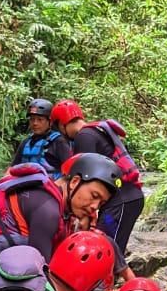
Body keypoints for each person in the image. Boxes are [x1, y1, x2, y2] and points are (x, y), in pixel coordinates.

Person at [0, 153, 122, 272]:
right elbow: (41, 274)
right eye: (94, 196)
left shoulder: (57, 206)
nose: (95, 206)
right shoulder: (47, 209)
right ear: (74, 182)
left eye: (101, 203)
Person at [49, 101, 145, 254]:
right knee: (107, 245)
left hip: (122, 200)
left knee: (104, 248)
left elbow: (88, 178)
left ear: (61, 125)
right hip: (126, 199)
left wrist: (87, 216)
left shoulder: (83, 137)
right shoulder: (95, 132)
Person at [10, 99, 70, 175]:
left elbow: (69, 170)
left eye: (40, 119)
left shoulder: (59, 142)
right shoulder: (25, 142)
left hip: (51, 181)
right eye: (32, 119)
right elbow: (12, 168)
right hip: (26, 181)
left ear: (50, 122)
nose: (35, 123)